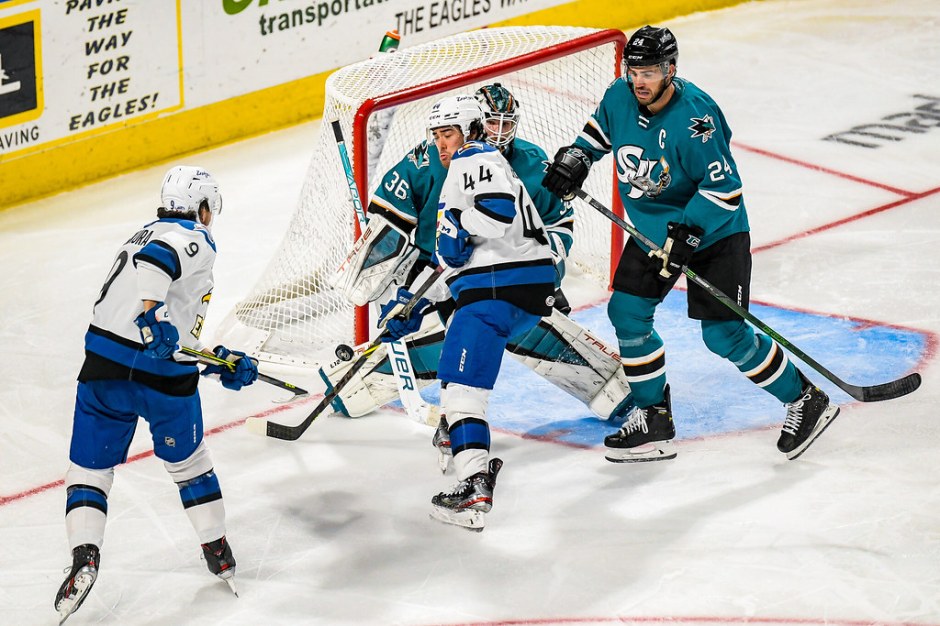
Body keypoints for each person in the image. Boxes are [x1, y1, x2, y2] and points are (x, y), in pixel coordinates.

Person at [542, 25, 840, 463]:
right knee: (627, 313)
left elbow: (725, 190)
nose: (638, 81)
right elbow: (598, 131)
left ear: (670, 69)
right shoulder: (619, 95)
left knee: (724, 336)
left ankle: (806, 399)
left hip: (716, 233)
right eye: (633, 71)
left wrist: (687, 233)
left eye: (649, 72)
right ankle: (654, 418)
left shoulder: (696, 119)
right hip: (653, 234)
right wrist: (577, 157)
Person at [322, 84, 634, 453]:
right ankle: (447, 412)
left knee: (490, 326)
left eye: (505, 124)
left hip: (502, 267)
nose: (498, 133)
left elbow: (558, 225)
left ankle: (445, 414)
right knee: (471, 327)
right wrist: (388, 289)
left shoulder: (532, 162)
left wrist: (548, 269)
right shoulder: (427, 160)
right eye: (490, 124)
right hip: (433, 266)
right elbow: (387, 225)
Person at [55, 166, 259, 623]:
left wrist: (220, 360)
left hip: (103, 368)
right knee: (190, 464)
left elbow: (171, 332)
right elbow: (157, 263)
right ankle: (217, 550)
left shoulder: (138, 233)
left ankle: (84, 555)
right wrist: (154, 316)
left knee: (89, 469)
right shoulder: (192, 237)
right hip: (162, 380)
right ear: (201, 207)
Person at [380, 94, 557, 530]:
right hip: (510, 287)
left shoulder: (473, 157)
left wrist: (458, 223)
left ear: (472, 130)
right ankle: (458, 438)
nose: (442, 144)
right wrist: (413, 304)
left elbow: (497, 214)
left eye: (449, 133)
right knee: (460, 384)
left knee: (461, 390)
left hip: (498, 287)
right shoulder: (474, 165)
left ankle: (474, 481)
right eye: (437, 135)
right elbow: (460, 260)